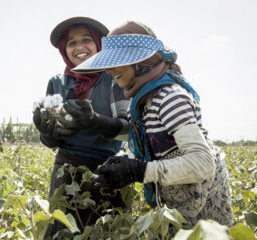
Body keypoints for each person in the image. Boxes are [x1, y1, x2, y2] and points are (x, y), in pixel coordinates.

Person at [72, 21, 234, 227]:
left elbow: (203, 163)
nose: (109, 71)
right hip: (181, 196)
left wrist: (138, 171)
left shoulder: (169, 98)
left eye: (116, 62)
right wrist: (96, 124)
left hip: (204, 203)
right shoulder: (145, 99)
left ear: (140, 62)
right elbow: (143, 134)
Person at [32, 17, 130, 238]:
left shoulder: (113, 77)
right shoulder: (57, 83)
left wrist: (94, 121)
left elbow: (127, 129)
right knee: (62, 231)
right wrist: (47, 132)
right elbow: (49, 140)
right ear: (64, 50)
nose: (79, 47)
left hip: (106, 171)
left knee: (104, 231)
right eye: (72, 43)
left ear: (98, 44)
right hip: (66, 171)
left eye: (86, 40)